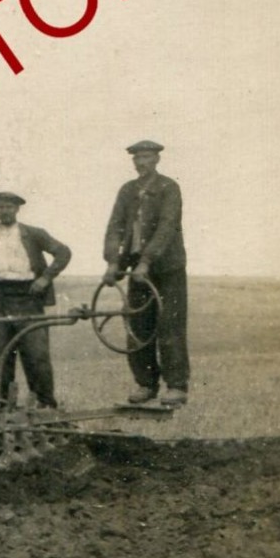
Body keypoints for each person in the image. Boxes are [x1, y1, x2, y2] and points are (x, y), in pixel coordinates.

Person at [0, 191, 72, 409]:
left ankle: (44, 405)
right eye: (1, 207)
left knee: (36, 354)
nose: (5, 211)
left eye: (9, 207)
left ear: (17, 209)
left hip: (29, 298)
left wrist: (46, 278)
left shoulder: (34, 234)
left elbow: (63, 252)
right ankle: (1, 406)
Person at [102, 140, 190, 406]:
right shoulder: (127, 190)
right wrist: (113, 262)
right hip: (136, 272)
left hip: (167, 270)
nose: (141, 162)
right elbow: (115, 227)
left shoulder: (169, 188)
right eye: (137, 158)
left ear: (157, 160)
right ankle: (146, 384)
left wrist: (147, 261)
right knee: (137, 327)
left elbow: (166, 227)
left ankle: (176, 386)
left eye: (147, 157)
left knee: (170, 326)